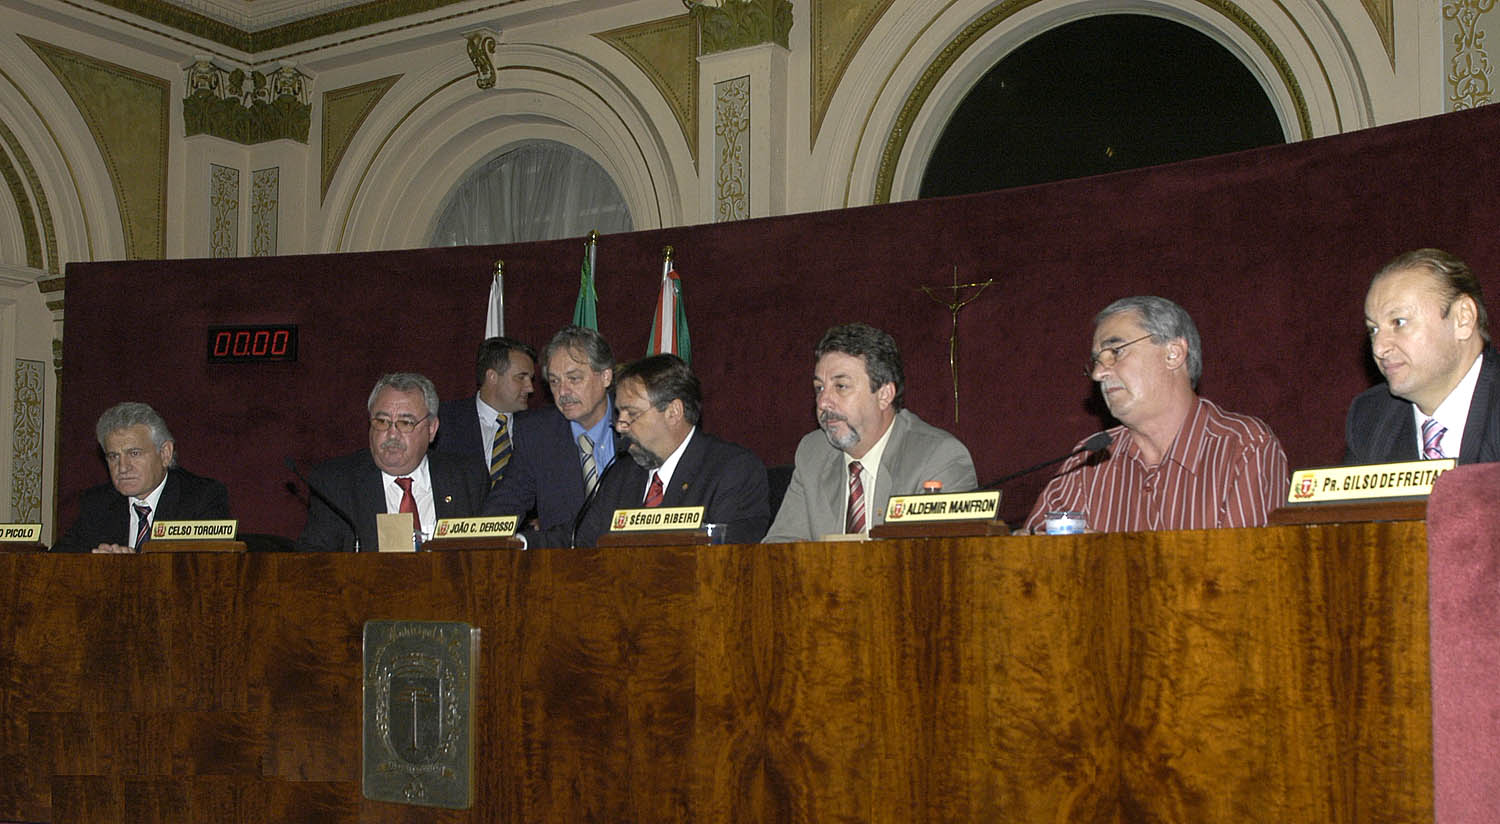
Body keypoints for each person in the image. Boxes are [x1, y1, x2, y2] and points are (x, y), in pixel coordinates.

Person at [1024, 296, 1288, 533]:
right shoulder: (1088, 461)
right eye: (1096, 361)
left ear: (1173, 354)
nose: (1098, 373)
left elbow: (1243, 568)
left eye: (1115, 352)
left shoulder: (1244, 448)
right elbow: (1028, 556)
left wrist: (1104, 558)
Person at [528, 354, 770, 548]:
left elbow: (730, 559)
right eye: (619, 413)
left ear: (673, 412)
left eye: (632, 413)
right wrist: (520, 543)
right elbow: (578, 540)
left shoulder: (733, 471)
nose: (620, 425)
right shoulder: (622, 473)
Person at [764, 322, 976, 542]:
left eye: (841, 386)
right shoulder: (814, 452)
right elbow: (779, 549)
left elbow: (942, 558)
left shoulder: (938, 458)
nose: (823, 402)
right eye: (819, 388)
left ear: (884, 395)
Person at [297, 372, 486, 551]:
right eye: (382, 421)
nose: (392, 434)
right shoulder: (336, 484)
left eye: (405, 423)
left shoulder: (467, 478)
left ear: (431, 429)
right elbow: (314, 560)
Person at [1345, 248, 1500, 465]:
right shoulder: (1371, 416)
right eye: (1373, 329)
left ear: (1462, 319)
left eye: (1399, 322)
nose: (1379, 348)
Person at [482, 325, 627, 535]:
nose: (563, 392)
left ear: (606, 376)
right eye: (554, 381)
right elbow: (505, 505)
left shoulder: (636, 424)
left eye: (574, 379)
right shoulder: (538, 434)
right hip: (563, 554)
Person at [51, 402, 230, 553]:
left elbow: (208, 570)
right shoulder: (97, 504)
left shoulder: (202, 498)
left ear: (165, 453)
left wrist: (135, 568)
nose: (123, 467)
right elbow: (57, 562)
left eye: (134, 453)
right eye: (113, 456)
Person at [434, 336, 536, 487]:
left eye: (531, 379)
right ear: (492, 377)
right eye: (521, 378)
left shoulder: (537, 428)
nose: (530, 388)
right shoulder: (444, 421)